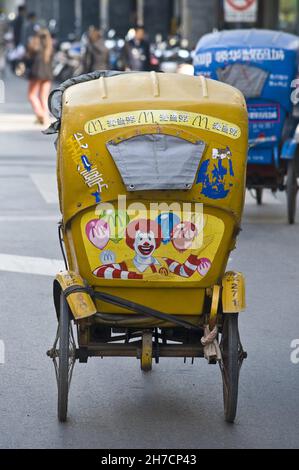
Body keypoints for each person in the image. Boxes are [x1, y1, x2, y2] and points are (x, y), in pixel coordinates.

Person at [27, 28, 53, 126]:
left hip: (36, 75)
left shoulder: (34, 47)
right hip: (47, 75)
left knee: (32, 95)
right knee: (44, 97)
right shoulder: (50, 48)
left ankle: (40, 114)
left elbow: (27, 59)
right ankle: (46, 118)